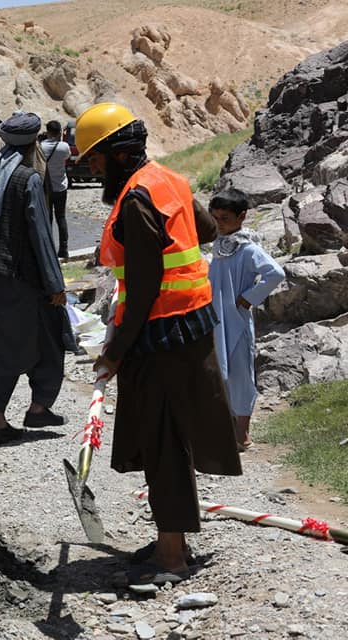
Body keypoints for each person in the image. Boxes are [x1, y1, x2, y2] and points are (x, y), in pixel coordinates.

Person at [77, 102, 242, 585]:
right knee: (173, 437)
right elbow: (207, 230)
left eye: (95, 159)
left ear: (117, 154)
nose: (91, 168)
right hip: (192, 327)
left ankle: (171, 556)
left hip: (161, 336)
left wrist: (113, 354)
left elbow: (145, 289)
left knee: (162, 440)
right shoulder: (165, 179)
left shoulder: (134, 200)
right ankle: (175, 538)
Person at [0, 113, 71, 447]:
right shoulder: (28, 179)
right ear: (33, 143)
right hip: (22, 282)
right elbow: (40, 235)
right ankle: (39, 406)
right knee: (50, 339)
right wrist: (55, 284)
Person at [207, 188, 285, 451]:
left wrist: (250, 297)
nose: (219, 222)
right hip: (216, 319)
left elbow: (274, 273)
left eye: (225, 217)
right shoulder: (220, 247)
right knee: (221, 372)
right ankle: (226, 425)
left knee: (241, 373)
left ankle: (243, 430)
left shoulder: (248, 248)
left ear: (241, 217)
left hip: (237, 320)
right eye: (215, 217)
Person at [40, 120, 71, 259]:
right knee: (61, 217)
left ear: (47, 131)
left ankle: (49, 249)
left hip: (46, 188)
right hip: (61, 186)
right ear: (59, 132)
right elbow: (67, 157)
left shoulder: (41, 146)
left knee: (48, 218)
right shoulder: (64, 146)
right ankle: (64, 249)